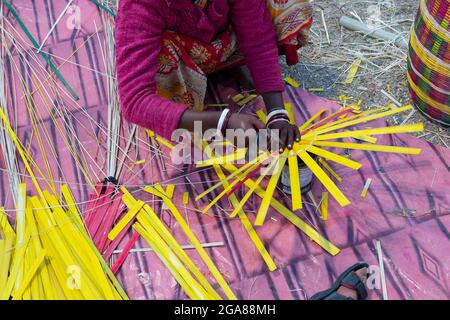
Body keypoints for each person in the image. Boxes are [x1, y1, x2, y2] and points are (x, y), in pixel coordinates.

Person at [116, 0, 313, 151]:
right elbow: (135, 100)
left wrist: (277, 113)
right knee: (159, 61)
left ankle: (237, 69)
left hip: (224, 47)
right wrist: (220, 123)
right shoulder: (138, 5)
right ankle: (189, 104)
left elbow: (258, 37)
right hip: (180, 61)